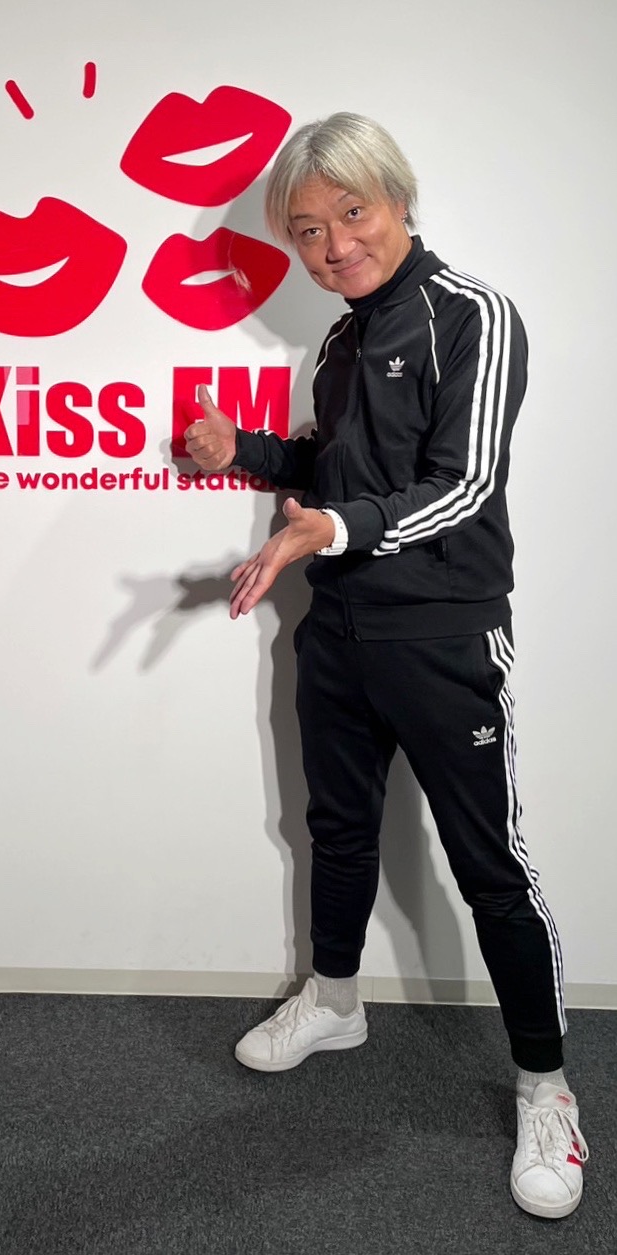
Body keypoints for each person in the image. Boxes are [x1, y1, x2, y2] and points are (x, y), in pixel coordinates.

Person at [184, 112, 587, 1219]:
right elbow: (330, 465)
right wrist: (241, 453)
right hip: (339, 632)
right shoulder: (340, 341)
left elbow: (464, 484)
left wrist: (331, 529)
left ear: (397, 200)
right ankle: (336, 1000)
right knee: (337, 829)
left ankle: (546, 1085)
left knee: (490, 863)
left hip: (443, 634)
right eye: (308, 231)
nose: (332, 246)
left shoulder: (472, 314)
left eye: (349, 214)